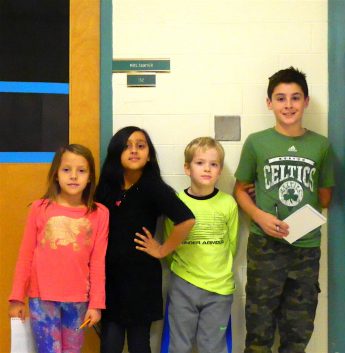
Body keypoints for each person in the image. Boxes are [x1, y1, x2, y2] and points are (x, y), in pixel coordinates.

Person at [234, 67, 334, 353]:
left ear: (306, 101)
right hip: (265, 246)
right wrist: (260, 215)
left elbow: (325, 198)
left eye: (295, 98)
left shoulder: (321, 146)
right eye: (280, 98)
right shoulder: (256, 142)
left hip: (305, 247)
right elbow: (240, 190)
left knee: (298, 333)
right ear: (269, 103)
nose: (288, 105)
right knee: (258, 329)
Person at [95, 126, 195, 353]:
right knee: (109, 343)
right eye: (127, 146)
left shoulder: (153, 187)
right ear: (116, 152)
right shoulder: (106, 188)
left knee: (140, 343)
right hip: (109, 280)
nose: (134, 151)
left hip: (141, 280)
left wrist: (162, 250)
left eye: (140, 146)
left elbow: (186, 220)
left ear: (149, 154)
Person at [138, 137, 238, 353]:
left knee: (212, 346)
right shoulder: (176, 202)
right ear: (187, 168)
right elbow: (171, 244)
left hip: (219, 289)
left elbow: (231, 245)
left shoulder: (228, 203)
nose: (207, 169)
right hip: (183, 285)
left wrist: (217, 271)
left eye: (214, 164)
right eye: (200, 163)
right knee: (179, 345)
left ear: (220, 171)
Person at [8, 144, 109, 353]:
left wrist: (96, 304)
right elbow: (25, 256)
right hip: (42, 298)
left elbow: (98, 262)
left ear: (90, 177)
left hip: (79, 299)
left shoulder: (99, 214)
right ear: (56, 174)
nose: (73, 176)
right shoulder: (39, 209)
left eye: (81, 171)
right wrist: (17, 297)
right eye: (66, 170)